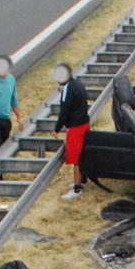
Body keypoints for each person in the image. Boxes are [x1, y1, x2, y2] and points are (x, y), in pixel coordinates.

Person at [54, 63, 91, 200]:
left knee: (76, 158)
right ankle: (82, 180)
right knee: (83, 155)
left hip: (75, 128)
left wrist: (57, 128)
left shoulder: (67, 89)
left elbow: (64, 111)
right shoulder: (79, 85)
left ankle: (77, 189)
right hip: (84, 123)